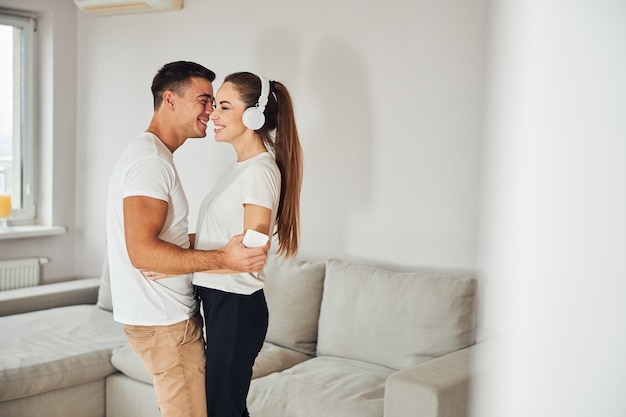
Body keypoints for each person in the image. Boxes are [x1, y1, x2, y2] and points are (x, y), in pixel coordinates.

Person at [105, 61, 268, 417]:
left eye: (217, 104)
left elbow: (162, 241)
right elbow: (144, 252)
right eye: (205, 100)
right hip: (165, 324)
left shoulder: (153, 156)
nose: (211, 112)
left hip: (166, 320)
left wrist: (183, 253)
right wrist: (223, 258)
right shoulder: (151, 162)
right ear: (170, 100)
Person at [193, 72, 303, 417]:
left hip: (236, 305)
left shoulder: (259, 172)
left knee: (222, 409)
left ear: (254, 115)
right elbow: (220, 239)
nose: (213, 114)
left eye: (224, 106)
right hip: (220, 300)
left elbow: (249, 255)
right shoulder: (240, 170)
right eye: (215, 105)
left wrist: (187, 259)